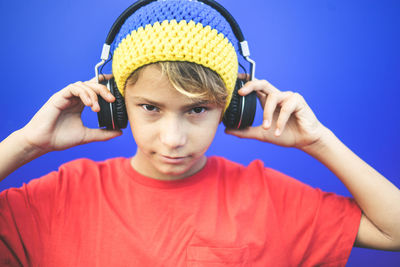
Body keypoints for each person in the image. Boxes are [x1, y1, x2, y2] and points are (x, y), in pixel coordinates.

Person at [1, 0, 399, 266]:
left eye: (197, 110)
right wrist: (23, 145)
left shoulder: (268, 198)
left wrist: (320, 142)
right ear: (115, 105)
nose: (173, 138)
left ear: (231, 108)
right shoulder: (57, 199)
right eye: (150, 108)